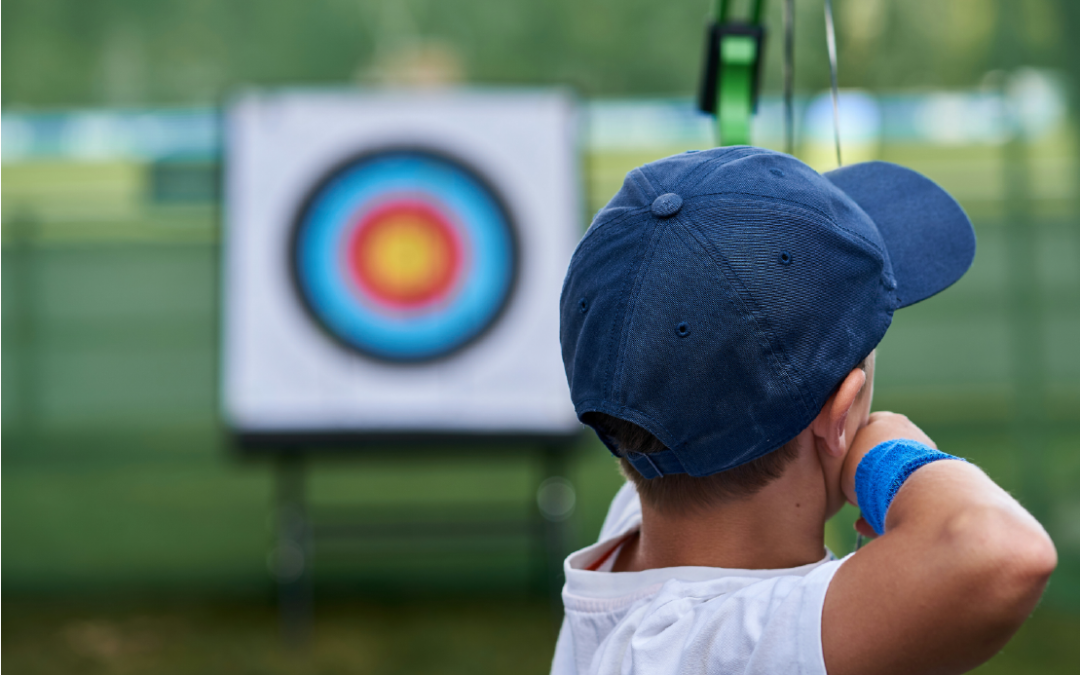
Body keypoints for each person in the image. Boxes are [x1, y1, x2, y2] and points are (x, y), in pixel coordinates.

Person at [552, 146, 1056, 675]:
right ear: (839, 415)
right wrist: (888, 458)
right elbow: (1002, 552)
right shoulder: (705, 648)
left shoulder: (643, 523)